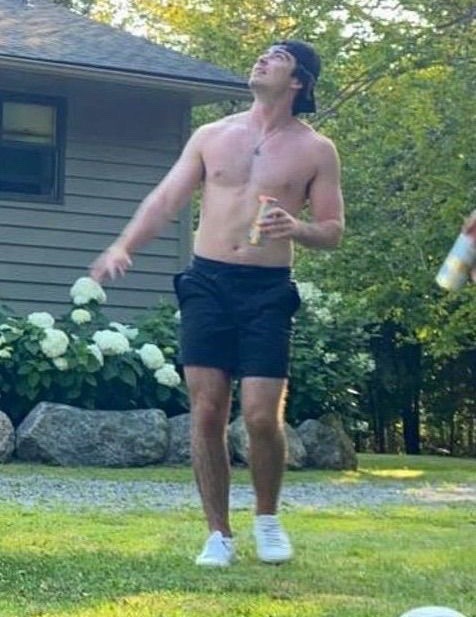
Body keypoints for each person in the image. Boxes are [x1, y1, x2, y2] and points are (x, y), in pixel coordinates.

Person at [91, 39, 345, 567]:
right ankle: (218, 534)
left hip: (267, 289)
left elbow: (333, 230)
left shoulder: (316, 150)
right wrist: (123, 246)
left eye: (277, 57)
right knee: (207, 411)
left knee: (260, 415)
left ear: (299, 81)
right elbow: (166, 198)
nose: (263, 59)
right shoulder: (212, 135)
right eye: (263, 53)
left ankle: (267, 518)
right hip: (207, 281)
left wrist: (296, 227)